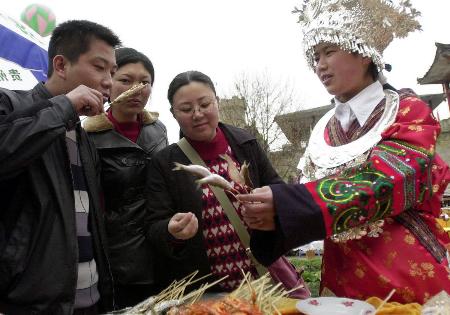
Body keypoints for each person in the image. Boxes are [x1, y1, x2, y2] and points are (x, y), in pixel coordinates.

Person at [239, 0, 450, 304]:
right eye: (315, 56)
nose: (319, 65)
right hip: (340, 281)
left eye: (328, 52)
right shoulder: (324, 130)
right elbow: (306, 196)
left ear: (363, 54)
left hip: (405, 277)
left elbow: (387, 181)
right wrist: (270, 218)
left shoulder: (408, 111)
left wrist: (286, 204)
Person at [145, 71, 308, 296]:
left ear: (217, 102)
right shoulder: (164, 163)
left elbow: (278, 190)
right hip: (208, 288)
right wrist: (171, 230)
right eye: (186, 109)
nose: (198, 114)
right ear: (174, 114)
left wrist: (271, 203)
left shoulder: (246, 143)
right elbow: (155, 227)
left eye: (205, 104)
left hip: (263, 279)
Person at [0, 20, 121, 314]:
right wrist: (64, 107)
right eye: (99, 66)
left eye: (112, 72)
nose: (108, 81)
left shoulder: (83, 137)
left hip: (91, 301)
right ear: (61, 65)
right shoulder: (10, 104)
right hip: (30, 303)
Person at [83, 47, 168, 308]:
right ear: (109, 82)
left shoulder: (158, 130)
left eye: (145, 82)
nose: (137, 88)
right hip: (119, 261)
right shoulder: (89, 136)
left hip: (164, 249)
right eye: (126, 80)